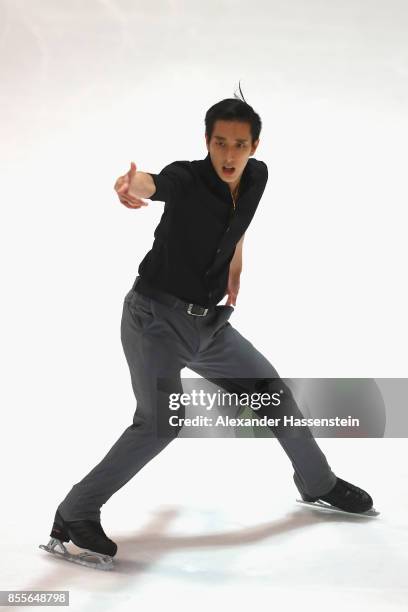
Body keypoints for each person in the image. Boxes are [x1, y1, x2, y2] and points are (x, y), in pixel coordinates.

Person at [47, 91, 374, 562]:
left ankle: (317, 482)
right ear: (207, 140)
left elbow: (236, 224)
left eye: (239, 144)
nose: (229, 154)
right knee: (161, 423)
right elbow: (153, 183)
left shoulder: (258, 177)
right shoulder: (188, 177)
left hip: (209, 327)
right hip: (155, 320)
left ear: (254, 146)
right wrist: (129, 184)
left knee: (271, 391)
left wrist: (235, 265)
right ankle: (75, 512)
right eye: (220, 142)